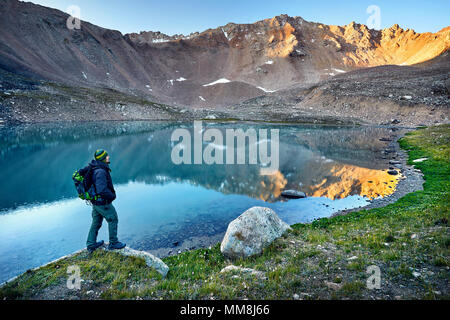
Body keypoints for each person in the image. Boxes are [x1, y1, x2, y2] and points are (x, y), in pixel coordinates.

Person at [86, 149, 126, 253]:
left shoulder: (95, 168)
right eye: (107, 156)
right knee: (113, 219)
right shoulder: (100, 171)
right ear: (103, 158)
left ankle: (91, 244)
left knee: (96, 222)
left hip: (95, 202)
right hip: (102, 203)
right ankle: (113, 242)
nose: (109, 157)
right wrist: (112, 196)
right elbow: (101, 189)